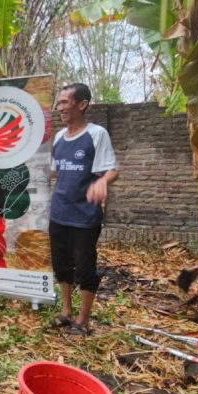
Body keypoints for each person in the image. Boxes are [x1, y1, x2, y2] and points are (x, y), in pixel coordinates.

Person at [48, 83, 119, 336]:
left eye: (65, 102)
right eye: (59, 103)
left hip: (85, 216)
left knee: (85, 266)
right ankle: (66, 311)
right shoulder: (58, 138)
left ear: (82, 104)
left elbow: (112, 169)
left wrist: (101, 181)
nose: (60, 108)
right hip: (59, 212)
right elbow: (55, 171)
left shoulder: (96, 134)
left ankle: (83, 320)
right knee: (61, 264)